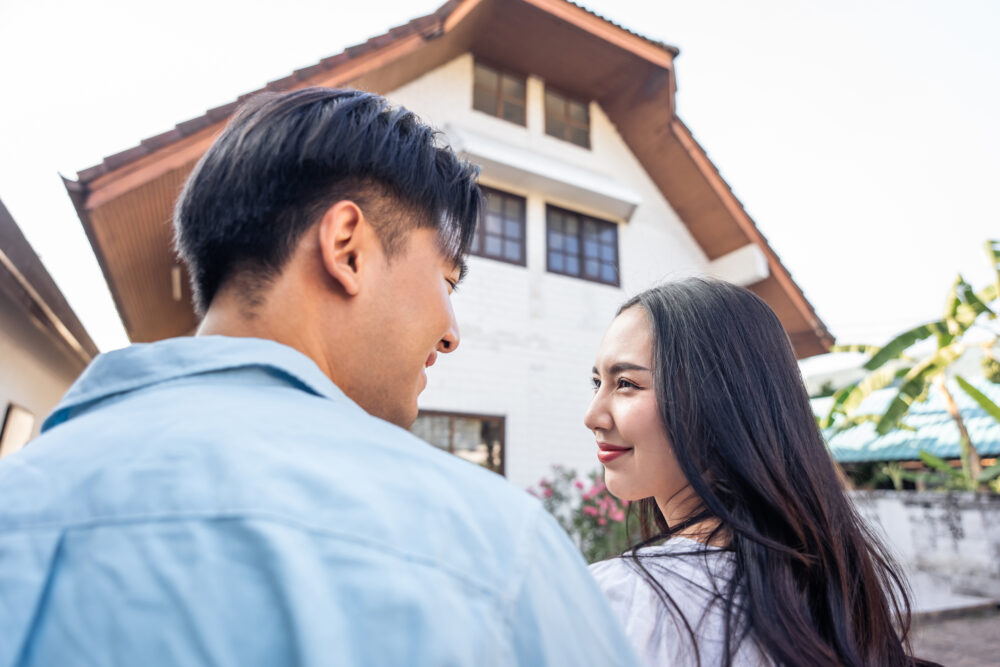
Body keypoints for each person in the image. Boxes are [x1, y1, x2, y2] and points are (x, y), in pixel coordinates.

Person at [0, 88, 639, 666]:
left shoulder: (19, 499)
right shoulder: (496, 550)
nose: (451, 332)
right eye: (446, 282)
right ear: (348, 248)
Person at [584, 278, 936, 667]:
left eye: (627, 384)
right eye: (598, 383)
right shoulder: (835, 597)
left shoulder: (617, 603)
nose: (592, 416)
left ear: (720, 401)